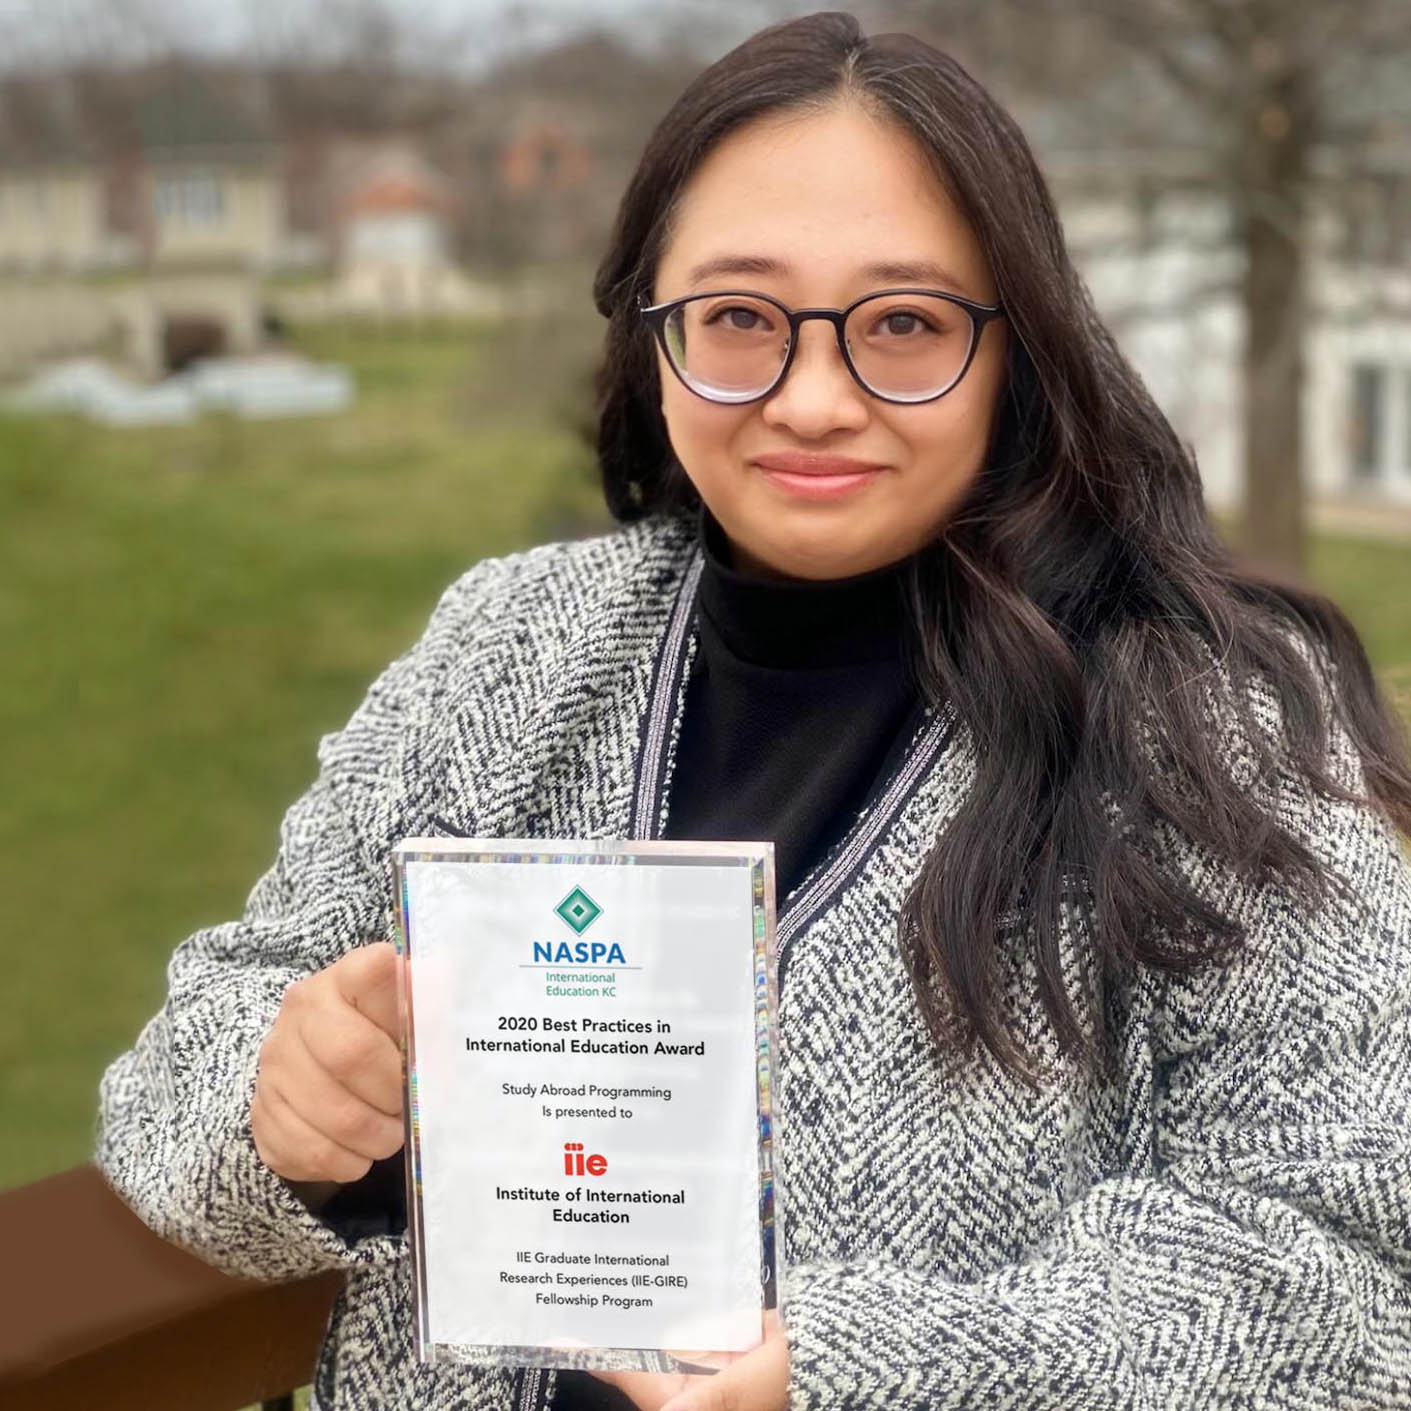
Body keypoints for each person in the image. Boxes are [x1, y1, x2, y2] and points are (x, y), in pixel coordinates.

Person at [96, 11, 1411, 1411]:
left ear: (1014, 347)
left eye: (903, 324)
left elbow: (1357, 1267)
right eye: (739, 320)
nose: (815, 397)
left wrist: (850, 1376)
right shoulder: (507, 654)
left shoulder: (1208, 730)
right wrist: (282, 1104)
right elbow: (177, 1088)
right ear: (653, 336)